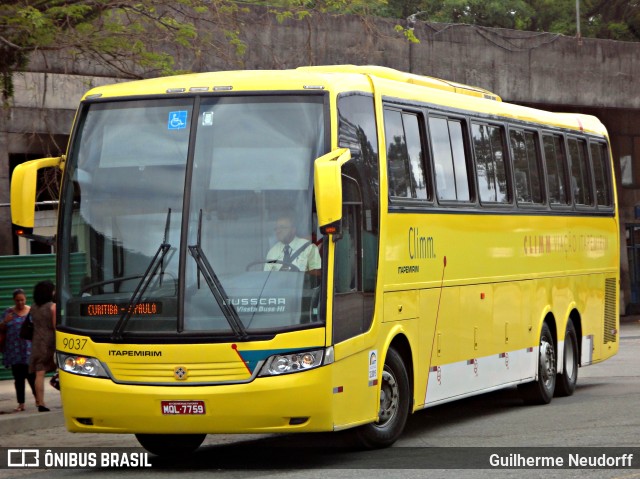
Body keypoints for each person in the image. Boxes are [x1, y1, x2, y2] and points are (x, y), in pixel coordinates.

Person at [1, 289, 36, 412]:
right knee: (18, 378)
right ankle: (21, 403)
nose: (20, 303)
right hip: (14, 351)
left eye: (22, 300)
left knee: (32, 376)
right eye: (17, 300)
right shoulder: (8, 313)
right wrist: (5, 321)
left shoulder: (31, 312)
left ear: (25, 299)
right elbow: (1, 327)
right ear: (14, 300)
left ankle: (38, 399)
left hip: (29, 350)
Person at [29, 280, 57, 412]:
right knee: (63, 369)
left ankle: (40, 402)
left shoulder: (33, 308)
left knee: (39, 373)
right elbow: (55, 326)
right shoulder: (52, 307)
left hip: (36, 342)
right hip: (50, 342)